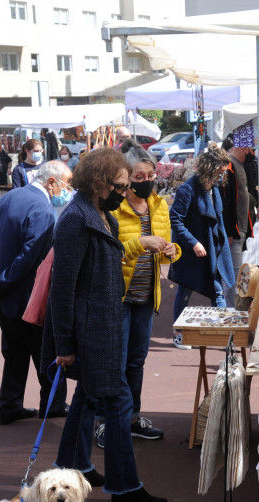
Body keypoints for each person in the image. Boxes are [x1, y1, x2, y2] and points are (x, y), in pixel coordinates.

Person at [46, 147, 167, 502]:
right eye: (119, 185)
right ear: (98, 182)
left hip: (106, 326)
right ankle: (124, 487)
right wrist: (65, 345)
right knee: (118, 401)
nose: (124, 191)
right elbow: (61, 290)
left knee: (87, 397)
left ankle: (74, 466)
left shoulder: (103, 215)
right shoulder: (75, 221)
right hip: (92, 331)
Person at [89, 143, 181, 449]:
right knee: (116, 361)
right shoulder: (112, 208)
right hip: (119, 296)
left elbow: (167, 252)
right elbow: (107, 255)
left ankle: (131, 418)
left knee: (137, 361)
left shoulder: (160, 205)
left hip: (146, 296)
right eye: (139, 176)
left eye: (151, 174)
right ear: (126, 178)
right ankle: (105, 421)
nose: (147, 180)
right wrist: (141, 244)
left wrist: (171, 250)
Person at [0, 160, 71, 425]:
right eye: (68, 183)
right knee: (45, 351)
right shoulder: (44, 209)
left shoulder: (10, 197)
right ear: (52, 182)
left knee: (15, 351)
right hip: (28, 295)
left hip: (4, 294)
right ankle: (52, 404)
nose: (69, 189)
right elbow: (27, 259)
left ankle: (10, 404)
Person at [168, 144, 234, 349]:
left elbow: (217, 219)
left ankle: (223, 335)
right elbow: (175, 219)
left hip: (212, 249)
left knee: (218, 291)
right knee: (185, 290)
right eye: (220, 172)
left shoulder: (213, 188)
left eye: (224, 173)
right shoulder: (188, 188)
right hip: (191, 252)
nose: (222, 177)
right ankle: (179, 334)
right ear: (210, 168)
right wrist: (194, 242)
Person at [220, 142, 256, 308]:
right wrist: (229, 231)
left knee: (234, 275)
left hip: (238, 231)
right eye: (252, 150)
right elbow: (226, 203)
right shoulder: (230, 166)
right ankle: (231, 313)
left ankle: (232, 311)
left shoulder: (239, 165)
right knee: (233, 278)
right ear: (244, 148)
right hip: (233, 232)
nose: (254, 154)